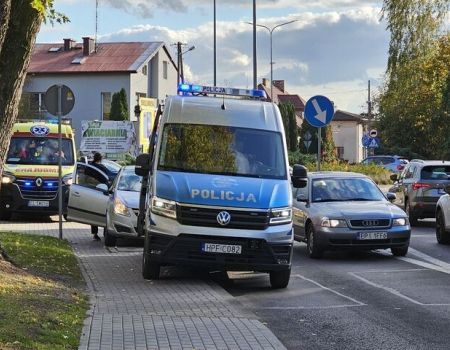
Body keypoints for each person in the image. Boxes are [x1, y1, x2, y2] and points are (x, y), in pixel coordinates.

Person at [90, 152, 109, 241]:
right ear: (100, 159)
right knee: (105, 212)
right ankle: (106, 231)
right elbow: (107, 180)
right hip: (102, 192)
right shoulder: (102, 168)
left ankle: (95, 233)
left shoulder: (89, 167)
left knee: (93, 212)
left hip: (91, 191)